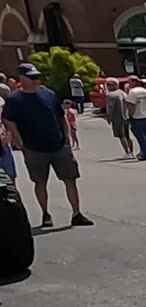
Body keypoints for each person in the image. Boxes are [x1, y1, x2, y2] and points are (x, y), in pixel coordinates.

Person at [0, 63, 92, 227]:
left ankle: (77, 213)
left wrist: (67, 137)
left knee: (70, 179)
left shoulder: (48, 94)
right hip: (34, 148)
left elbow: (61, 115)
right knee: (40, 182)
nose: (36, 80)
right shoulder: (14, 99)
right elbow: (8, 120)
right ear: (22, 78)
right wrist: (19, 141)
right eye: (32, 77)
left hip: (58, 145)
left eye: (37, 77)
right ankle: (45, 214)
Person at [125, 75, 146, 160]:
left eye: (129, 82)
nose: (128, 84)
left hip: (137, 116)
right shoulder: (145, 91)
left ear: (134, 82)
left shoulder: (133, 92)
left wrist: (130, 115)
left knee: (140, 136)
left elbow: (131, 105)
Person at [104, 78, 133, 158]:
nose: (107, 86)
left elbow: (110, 107)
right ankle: (131, 152)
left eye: (109, 84)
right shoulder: (123, 93)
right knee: (127, 136)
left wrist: (108, 117)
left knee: (121, 136)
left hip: (117, 117)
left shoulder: (111, 95)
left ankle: (127, 153)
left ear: (115, 85)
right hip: (126, 116)